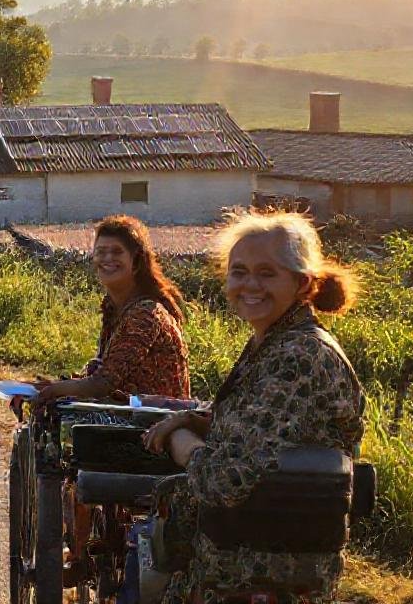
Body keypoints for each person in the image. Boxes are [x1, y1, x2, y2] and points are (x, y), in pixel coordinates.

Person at [142, 211, 364, 603]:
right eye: (239, 271)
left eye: (267, 273)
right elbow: (263, 433)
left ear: (302, 283)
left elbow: (224, 481)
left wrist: (182, 440)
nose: (250, 285)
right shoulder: (274, 341)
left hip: (258, 579)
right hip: (229, 562)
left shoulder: (301, 356)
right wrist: (196, 419)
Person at [33, 215, 191, 408]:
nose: (107, 259)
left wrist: (54, 390)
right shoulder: (113, 306)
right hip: (125, 416)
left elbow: (104, 384)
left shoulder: (146, 314)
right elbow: (101, 374)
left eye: (117, 252)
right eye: (101, 252)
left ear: (136, 261)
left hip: (155, 424)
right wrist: (45, 388)